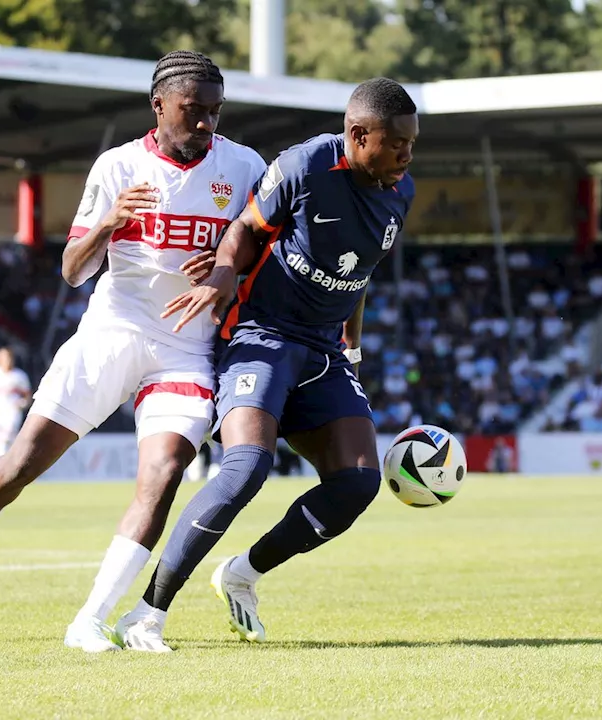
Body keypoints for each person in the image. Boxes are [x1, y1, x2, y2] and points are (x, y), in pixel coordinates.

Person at [0, 51, 268, 655]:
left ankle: (90, 619)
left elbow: (260, 241)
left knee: (165, 471)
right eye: (192, 111)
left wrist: (228, 265)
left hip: (186, 346)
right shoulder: (117, 167)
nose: (206, 125)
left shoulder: (244, 165)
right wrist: (108, 223)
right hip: (112, 332)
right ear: (159, 106)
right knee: (20, 465)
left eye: (214, 112)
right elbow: (72, 271)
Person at [114, 77, 418, 652]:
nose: (407, 155)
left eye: (412, 144)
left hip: (324, 350)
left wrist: (352, 347)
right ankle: (147, 614)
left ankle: (243, 573)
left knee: (358, 483)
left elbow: (361, 274)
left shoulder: (399, 190)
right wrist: (224, 279)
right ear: (358, 136)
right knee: (245, 469)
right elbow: (246, 229)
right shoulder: (305, 164)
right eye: (397, 143)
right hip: (263, 336)